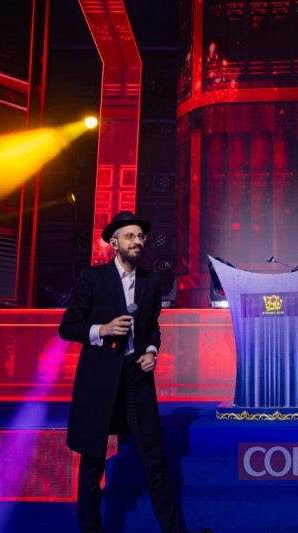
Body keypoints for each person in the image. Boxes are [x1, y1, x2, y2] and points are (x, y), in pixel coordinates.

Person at [59, 211, 210, 533]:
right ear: (114, 243)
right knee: (92, 463)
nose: (137, 241)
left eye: (140, 236)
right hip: (99, 382)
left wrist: (151, 351)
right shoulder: (93, 277)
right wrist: (102, 329)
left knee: (155, 459)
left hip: (135, 380)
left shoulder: (150, 281)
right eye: (130, 236)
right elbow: (67, 327)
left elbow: (151, 327)